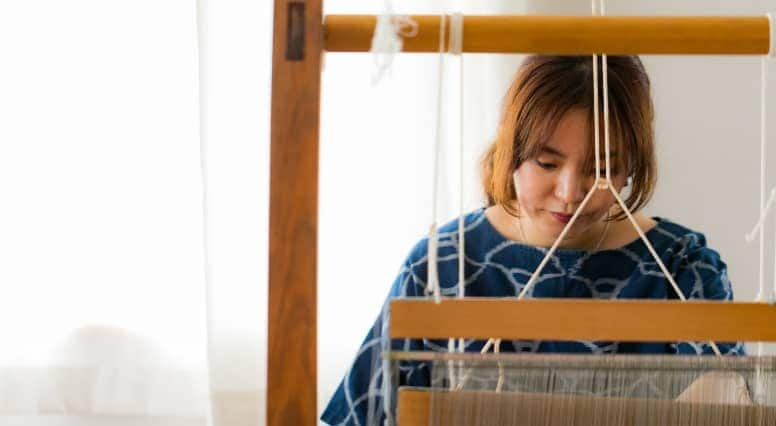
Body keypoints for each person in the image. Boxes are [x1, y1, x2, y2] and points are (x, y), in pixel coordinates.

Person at [320, 55, 744, 426]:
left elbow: (723, 406)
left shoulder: (683, 269)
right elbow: (366, 414)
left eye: (600, 170)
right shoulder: (442, 264)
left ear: (630, 166)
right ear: (512, 152)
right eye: (546, 163)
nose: (570, 193)